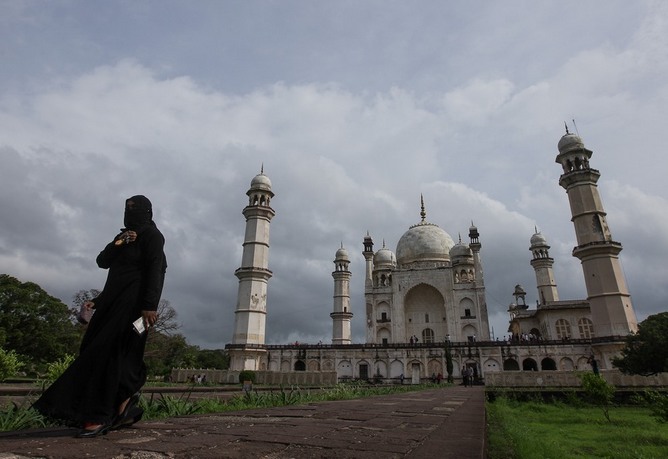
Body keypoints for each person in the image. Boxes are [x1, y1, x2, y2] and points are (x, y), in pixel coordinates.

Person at [33, 195, 167, 438]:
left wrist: (149, 306)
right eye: (127, 209)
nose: (130, 214)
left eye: (135, 210)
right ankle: (123, 405)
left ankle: (98, 415)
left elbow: (155, 271)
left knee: (109, 354)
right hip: (112, 304)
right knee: (100, 351)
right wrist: (120, 244)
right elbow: (103, 263)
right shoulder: (125, 236)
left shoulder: (152, 236)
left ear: (147, 212)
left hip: (134, 308)